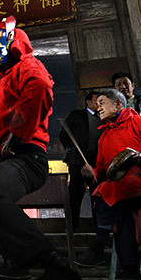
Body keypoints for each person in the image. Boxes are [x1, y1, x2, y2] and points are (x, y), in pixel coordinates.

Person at [0, 15, 84, 280]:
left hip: (26, 157)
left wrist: (17, 131)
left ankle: (57, 267)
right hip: (8, 157)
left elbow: (41, 89)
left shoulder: (29, 66)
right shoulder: (6, 78)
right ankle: (15, 261)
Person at [74, 89, 141, 280]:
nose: (98, 107)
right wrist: (92, 173)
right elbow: (104, 170)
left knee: (110, 193)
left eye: (102, 103)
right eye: (97, 104)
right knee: (119, 213)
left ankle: (99, 243)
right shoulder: (104, 136)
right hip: (122, 186)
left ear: (118, 104)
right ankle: (130, 269)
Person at [59, 90, 101, 231]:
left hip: (97, 162)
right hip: (77, 160)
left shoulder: (103, 117)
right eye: (96, 101)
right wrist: (73, 151)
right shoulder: (76, 115)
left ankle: (99, 226)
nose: (99, 104)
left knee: (98, 193)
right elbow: (64, 136)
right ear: (88, 102)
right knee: (75, 194)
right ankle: (71, 228)